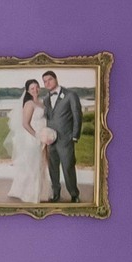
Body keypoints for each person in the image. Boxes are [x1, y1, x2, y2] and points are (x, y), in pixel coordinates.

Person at [6, 76, 52, 204]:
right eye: (32, 88)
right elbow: (25, 124)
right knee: (33, 165)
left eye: (37, 87)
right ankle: (30, 193)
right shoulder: (29, 103)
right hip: (32, 138)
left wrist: (46, 135)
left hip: (42, 137)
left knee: (41, 165)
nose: (35, 89)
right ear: (27, 91)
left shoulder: (42, 102)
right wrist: (37, 135)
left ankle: (41, 192)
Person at [44, 73, 85, 204]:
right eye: (44, 81)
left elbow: (77, 115)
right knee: (53, 168)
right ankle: (56, 194)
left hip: (66, 139)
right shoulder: (45, 98)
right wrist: (45, 135)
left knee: (68, 167)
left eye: (50, 79)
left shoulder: (70, 95)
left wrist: (74, 136)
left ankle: (74, 194)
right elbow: (48, 118)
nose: (47, 83)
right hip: (50, 140)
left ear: (56, 79)